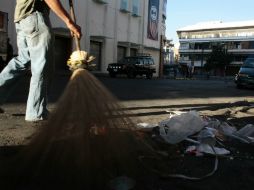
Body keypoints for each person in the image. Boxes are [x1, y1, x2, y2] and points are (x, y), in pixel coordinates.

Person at [0, 0, 81, 121]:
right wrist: (69, 22)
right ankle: (36, 111)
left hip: (21, 18)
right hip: (34, 17)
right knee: (43, 64)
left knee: (22, 61)